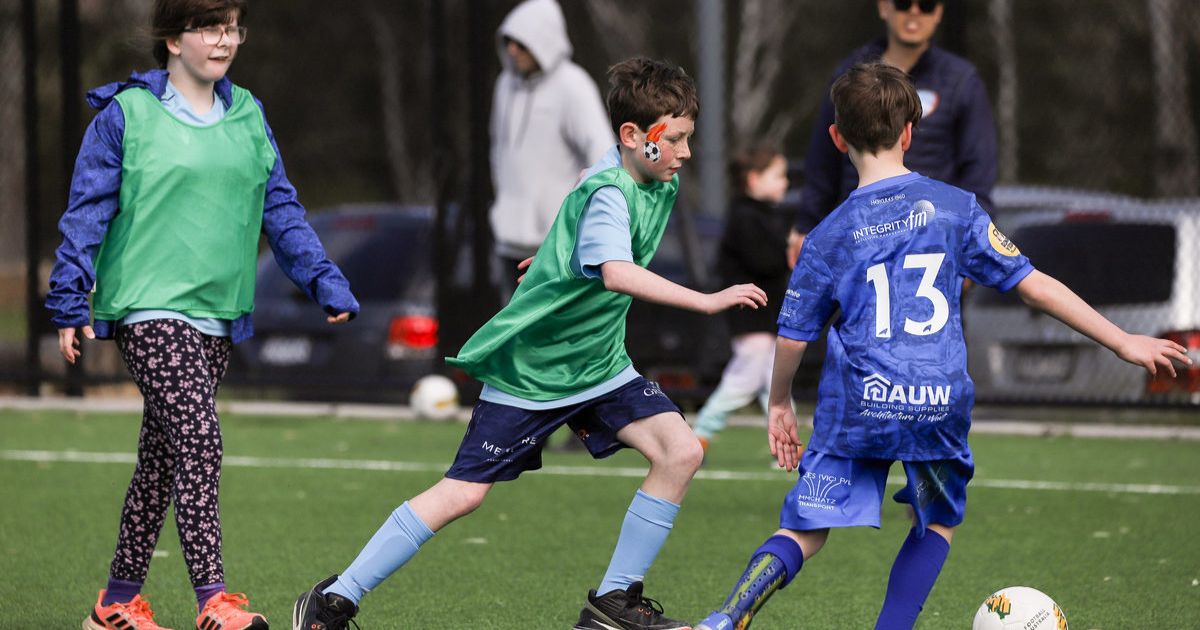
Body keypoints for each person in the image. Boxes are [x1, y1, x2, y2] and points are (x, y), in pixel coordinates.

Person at [695, 62, 1191, 630]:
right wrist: (1122, 340)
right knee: (935, 523)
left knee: (804, 529)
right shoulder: (957, 209)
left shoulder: (828, 233)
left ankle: (726, 617)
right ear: (910, 132)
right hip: (935, 402)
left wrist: (780, 402)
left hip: (860, 403)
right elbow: (1035, 286)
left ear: (836, 139)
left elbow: (793, 335)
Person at [292, 57, 767, 630]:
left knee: (681, 451)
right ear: (634, 136)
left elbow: (581, 221)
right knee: (463, 494)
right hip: (534, 373)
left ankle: (612, 606)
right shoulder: (612, 191)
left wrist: (553, 257)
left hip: (598, 365)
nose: (687, 152)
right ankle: (333, 600)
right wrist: (708, 299)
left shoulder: (647, 174)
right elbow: (616, 270)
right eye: (679, 139)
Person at [45, 1, 359, 628]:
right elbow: (86, 213)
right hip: (147, 308)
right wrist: (69, 298)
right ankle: (214, 601)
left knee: (161, 459)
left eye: (233, 26)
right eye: (210, 27)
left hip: (218, 316)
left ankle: (114, 605)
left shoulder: (248, 115)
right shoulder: (126, 114)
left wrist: (323, 279)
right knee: (199, 438)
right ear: (171, 38)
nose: (225, 40)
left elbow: (282, 208)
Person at [787, 0, 997, 266]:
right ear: (884, 7)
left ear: (939, 13)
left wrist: (969, 248)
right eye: (902, 3)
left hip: (932, 246)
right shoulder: (849, 75)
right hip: (857, 243)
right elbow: (822, 163)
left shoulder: (962, 80)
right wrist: (806, 225)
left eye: (927, 5)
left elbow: (979, 169)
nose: (914, 12)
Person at [490, 0, 615, 299]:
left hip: (556, 245)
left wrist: (582, 226)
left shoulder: (573, 85)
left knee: (551, 335)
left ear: (544, 40)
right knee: (515, 334)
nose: (512, 51)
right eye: (508, 42)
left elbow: (604, 157)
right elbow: (497, 150)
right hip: (508, 240)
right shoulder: (504, 84)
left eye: (521, 43)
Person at [692, 146, 793, 454]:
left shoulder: (763, 215)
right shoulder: (746, 217)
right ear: (753, 180)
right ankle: (698, 435)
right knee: (744, 379)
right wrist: (792, 251)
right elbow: (764, 260)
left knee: (771, 382)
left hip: (765, 315)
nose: (785, 183)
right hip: (750, 315)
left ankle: (785, 441)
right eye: (778, 176)